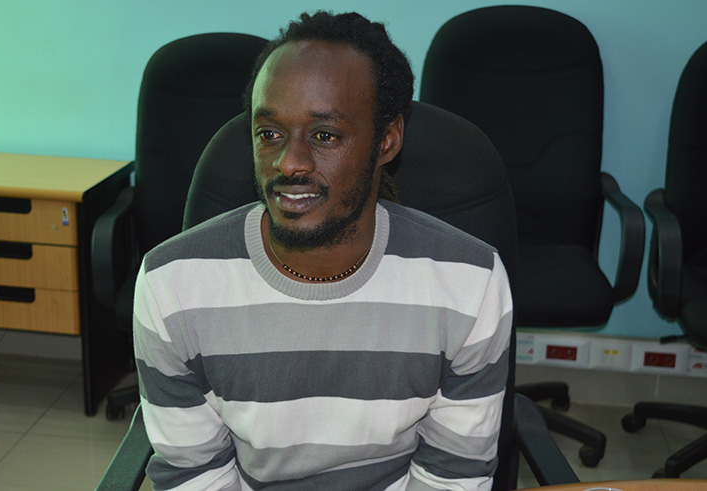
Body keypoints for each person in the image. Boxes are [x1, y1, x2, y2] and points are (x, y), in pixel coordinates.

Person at [133, 11, 512, 491]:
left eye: (325, 135)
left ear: (387, 140)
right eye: (269, 133)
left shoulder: (470, 283)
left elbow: (452, 474)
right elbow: (196, 475)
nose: (289, 162)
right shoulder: (172, 286)